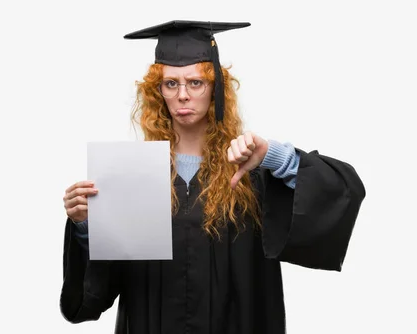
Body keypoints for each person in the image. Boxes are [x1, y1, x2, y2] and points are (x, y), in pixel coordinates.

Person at [59, 20, 366, 334]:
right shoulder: (133, 176)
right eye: (170, 83)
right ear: (158, 92)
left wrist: (273, 156)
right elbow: (94, 297)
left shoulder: (251, 172)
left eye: (195, 82)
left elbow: (342, 191)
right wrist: (87, 225)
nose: (182, 95)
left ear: (216, 87)